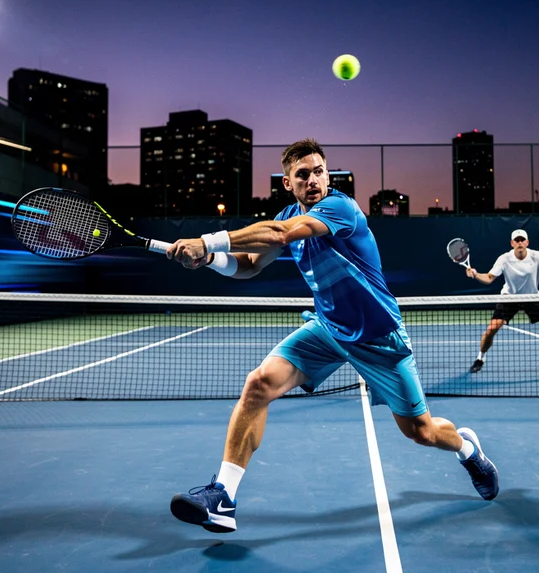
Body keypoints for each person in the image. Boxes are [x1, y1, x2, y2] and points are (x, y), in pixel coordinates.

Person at [165, 138, 499, 533]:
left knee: (421, 432)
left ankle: (468, 449)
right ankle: (224, 496)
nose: (313, 180)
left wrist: (207, 240)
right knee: (258, 384)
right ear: (288, 183)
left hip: (379, 338)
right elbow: (252, 265)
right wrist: (212, 259)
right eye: (302, 174)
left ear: (328, 175)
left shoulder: (340, 209)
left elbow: (281, 234)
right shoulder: (288, 213)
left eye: (319, 171)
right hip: (328, 328)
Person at [465, 229, 539, 379]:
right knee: (491, 329)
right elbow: (489, 277)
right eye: (516, 240)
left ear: (527, 242)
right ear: (512, 243)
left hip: (532, 297)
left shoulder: (536, 256)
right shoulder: (504, 259)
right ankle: (480, 359)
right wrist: (475, 274)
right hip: (509, 298)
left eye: (522, 240)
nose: (519, 243)